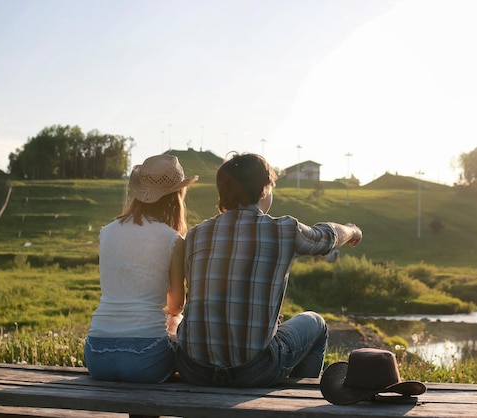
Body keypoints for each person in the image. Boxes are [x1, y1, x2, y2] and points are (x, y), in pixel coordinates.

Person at [176, 152, 362, 387]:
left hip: (195, 369)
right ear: (264, 188)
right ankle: (295, 402)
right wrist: (353, 230)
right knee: (315, 323)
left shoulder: (196, 234)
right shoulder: (282, 230)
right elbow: (327, 237)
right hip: (252, 371)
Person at [84, 154, 197, 383]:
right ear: (177, 196)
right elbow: (175, 305)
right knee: (175, 321)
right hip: (144, 357)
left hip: (96, 355)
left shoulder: (107, 232)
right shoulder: (173, 239)